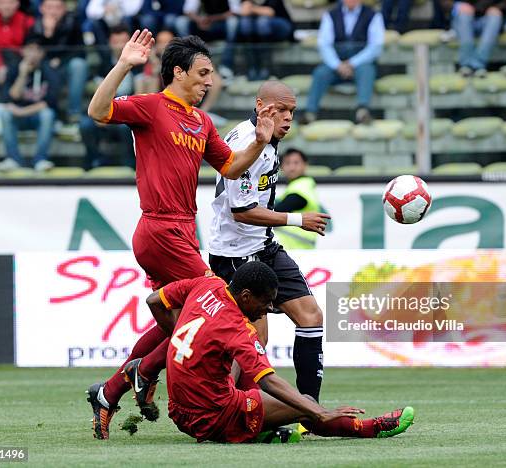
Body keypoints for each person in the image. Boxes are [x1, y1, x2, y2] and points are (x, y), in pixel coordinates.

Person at [85, 31, 277, 440]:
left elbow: (230, 168)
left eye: (212, 74)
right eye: (204, 72)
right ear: (178, 71)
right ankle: (155, 375)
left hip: (183, 230)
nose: (210, 81)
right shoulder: (152, 108)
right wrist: (124, 65)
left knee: (180, 321)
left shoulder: (202, 121)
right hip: (159, 227)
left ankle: (110, 391)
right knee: (218, 302)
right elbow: (98, 111)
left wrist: (260, 143)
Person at [144, 261, 415, 443]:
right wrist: (319, 411)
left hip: (178, 409)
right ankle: (369, 428)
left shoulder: (207, 285)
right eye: (266, 302)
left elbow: (154, 300)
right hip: (210, 417)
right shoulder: (237, 329)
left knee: (238, 364)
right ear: (247, 296)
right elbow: (268, 380)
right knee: (304, 402)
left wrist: (175, 332)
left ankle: (261, 430)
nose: (269, 309)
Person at [206, 81, 329, 406]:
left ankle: (308, 410)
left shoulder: (268, 141)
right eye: (281, 110)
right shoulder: (249, 143)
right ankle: (223, 409)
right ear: (261, 106)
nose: (288, 118)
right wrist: (298, 219)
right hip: (234, 255)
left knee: (310, 316)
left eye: (292, 111)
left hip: (264, 246)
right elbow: (242, 210)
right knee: (252, 339)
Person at [300, 0, 385, 125]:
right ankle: (310, 113)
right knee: (320, 73)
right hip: (336, 64)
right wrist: (338, 65)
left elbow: (375, 47)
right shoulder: (330, 15)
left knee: (367, 71)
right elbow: (324, 45)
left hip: (361, 64)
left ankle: (363, 110)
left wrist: (352, 63)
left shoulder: (374, 15)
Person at [0, 34, 57, 171]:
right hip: (17, 117)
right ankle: (13, 159)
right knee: (5, 115)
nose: (33, 54)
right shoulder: (13, 69)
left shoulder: (49, 70)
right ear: (22, 51)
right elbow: (9, 98)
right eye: (29, 49)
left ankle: (40, 160)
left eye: (37, 50)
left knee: (48, 115)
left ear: (42, 53)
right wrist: (22, 74)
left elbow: (50, 102)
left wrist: (22, 111)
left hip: (36, 116)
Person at [79, 24, 134, 169]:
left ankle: (132, 162)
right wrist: (101, 114)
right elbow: (98, 92)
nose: (120, 46)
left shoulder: (138, 62)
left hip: (127, 113)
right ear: (110, 43)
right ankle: (94, 160)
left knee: (125, 128)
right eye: (116, 42)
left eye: (123, 42)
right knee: (85, 125)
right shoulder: (102, 63)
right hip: (106, 110)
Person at [29, 0, 87, 124]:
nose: (53, 11)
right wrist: (47, 34)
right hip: (44, 65)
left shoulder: (73, 22)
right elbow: (31, 49)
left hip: (67, 63)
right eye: (49, 7)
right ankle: (51, 113)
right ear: (42, 9)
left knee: (79, 65)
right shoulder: (36, 25)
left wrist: (60, 60)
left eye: (57, 7)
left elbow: (80, 51)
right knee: (49, 71)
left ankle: (73, 113)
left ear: (64, 9)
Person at [0, 0, 32, 105]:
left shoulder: (25, 20)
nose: (7, 6)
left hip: (15, 59)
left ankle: (6, 107)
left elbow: (28, 45)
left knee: (12, 70)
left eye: (11, 2)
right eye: (3, 2)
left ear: (18, 4)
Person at [174, 0, 240, 80]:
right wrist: (199, 20)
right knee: (181, 22)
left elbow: (234, 11)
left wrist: (211, 19)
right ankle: (188, 62)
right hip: (201, 23)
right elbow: (188, 10)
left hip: (220, 22)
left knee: (233, 22)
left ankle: (226, 66)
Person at [274, 148, 322, 250]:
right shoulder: (298, 185)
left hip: (296, 250)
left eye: (296, 163)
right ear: (281, 167)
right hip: (298, 248)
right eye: (287, 163)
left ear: (305, 165)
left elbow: (277, 212)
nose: (292, 167)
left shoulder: (302, 185)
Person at [452, 0, 506, 77]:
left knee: (495, 17)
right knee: (463, 15)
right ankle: (466, 64)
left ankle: (478, 64)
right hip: (466, 18)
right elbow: (446, 4)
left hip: (488, 20)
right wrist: (458, 5)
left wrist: (497, 8)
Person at [238, 0, 293, 81]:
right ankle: (252, 68)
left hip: (280, 24)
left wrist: (252, 8)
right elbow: (244, 12)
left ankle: (266, 67)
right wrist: (258, 10)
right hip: (255, 29)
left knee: (262, 22)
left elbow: (270, 12)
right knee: (245, 23)